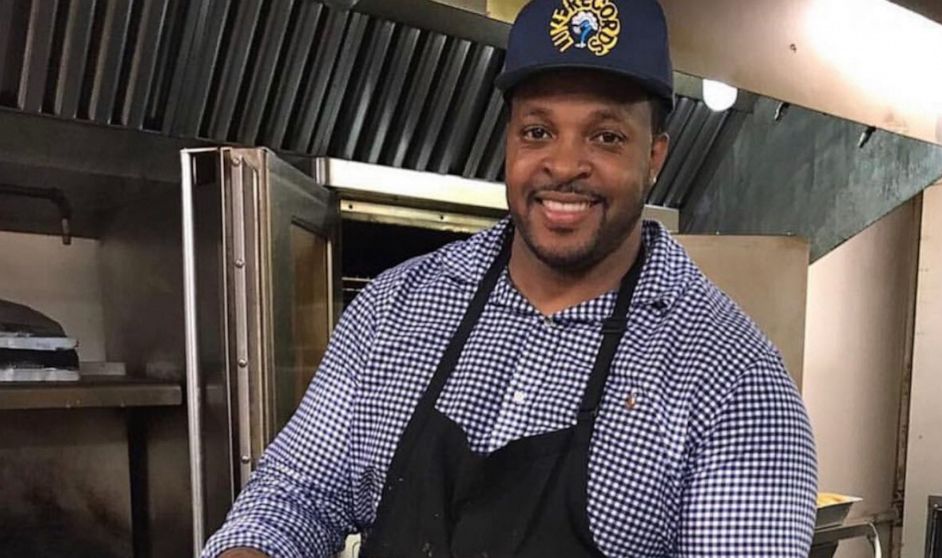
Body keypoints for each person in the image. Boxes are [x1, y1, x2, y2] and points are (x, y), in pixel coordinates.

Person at [204, 0, 818, 556]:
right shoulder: (394, 309)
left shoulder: (735, 380)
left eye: (605, 137)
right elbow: (294, 498)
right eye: (538, 131)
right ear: (509, 141)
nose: (564, 164)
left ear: (654, 155)